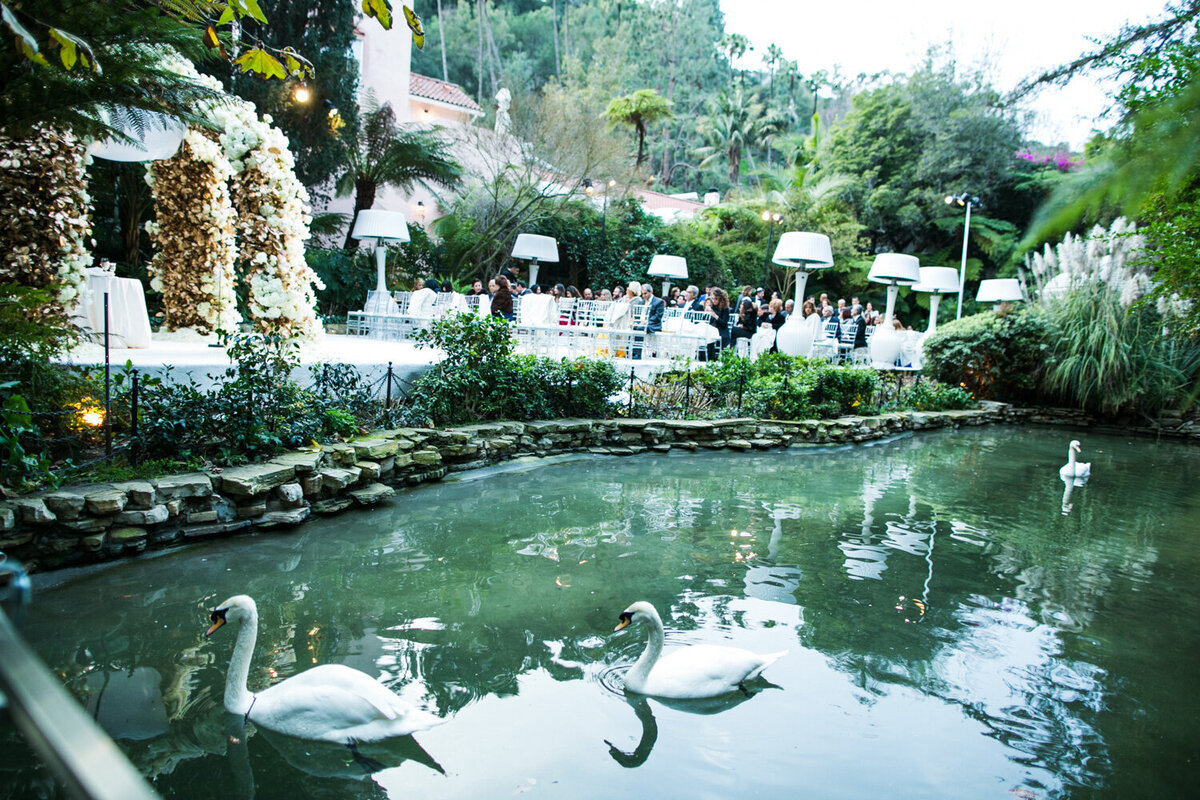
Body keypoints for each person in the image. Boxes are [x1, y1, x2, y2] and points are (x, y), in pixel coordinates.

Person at [632, 283, 665, 359]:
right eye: (642, 294)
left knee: (640, 329)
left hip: (653, 325)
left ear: (651, 292)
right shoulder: (642, 302)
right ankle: (629, 351)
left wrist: (645, 322)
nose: (643, 296)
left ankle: (637, 354)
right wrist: (636, 322)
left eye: (645, 293)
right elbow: (637, 315)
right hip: (641, 323)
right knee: (631, 327)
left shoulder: (659, 302)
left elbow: (658, 316)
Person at [703, 286, 730, 360]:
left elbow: (724, 323)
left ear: (720, 299)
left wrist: (714, 315)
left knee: (712, 336)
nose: (714, 300)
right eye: (712, 298)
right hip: (712, 330)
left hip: (721, 330)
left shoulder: (725, 309)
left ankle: (714, 359)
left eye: (716, 299)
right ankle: (708, 359)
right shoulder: (712, 307)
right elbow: (707, 321)